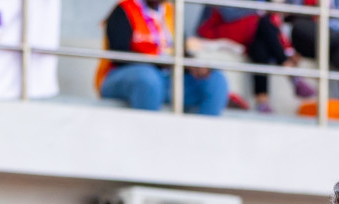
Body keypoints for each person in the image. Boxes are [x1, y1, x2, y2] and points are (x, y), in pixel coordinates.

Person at [95, 0, 230, 117]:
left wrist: (192, 65)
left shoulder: (172, 12)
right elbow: (119, 56)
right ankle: (150, 141)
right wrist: (159, 63)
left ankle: (200, 142)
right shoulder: (124, 9)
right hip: (125, 77)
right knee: (148, 78)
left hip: (165, 78)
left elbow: (181, 52)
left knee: (216, 80)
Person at [195, 6, 314, 114]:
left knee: (259, 46)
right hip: (216, 28)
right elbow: (228, 14)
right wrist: (258, 10)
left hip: (247, 30)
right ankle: (291, 73)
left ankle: (262, 102)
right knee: (262, 21)